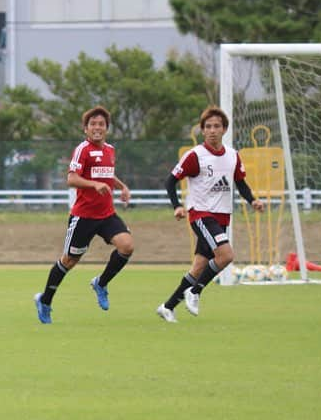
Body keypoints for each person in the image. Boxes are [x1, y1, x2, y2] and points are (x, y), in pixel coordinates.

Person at [156, 106, 264, 323]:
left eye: (217, 126)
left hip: (223, 216)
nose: (212, 130)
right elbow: (170, 181)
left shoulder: (233, 156)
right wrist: (177, 205)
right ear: (202, 131)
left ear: (224, 129)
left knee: (199, 267)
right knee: (226, 256)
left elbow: (240, 183)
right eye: (208, 127)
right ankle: (195, 292)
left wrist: (253, 200)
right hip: (201, 214)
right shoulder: (195, 156)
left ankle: (167, 307)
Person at [34, 105, 133, 324]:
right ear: (86, 129)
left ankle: (101, 283)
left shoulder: (109, 149)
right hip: (84, 217)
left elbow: (107, 174)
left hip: (107, 215)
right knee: (69, 261)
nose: (97, 127)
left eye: (101, 124)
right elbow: (71, 178)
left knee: (127, 246)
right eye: (93, 124)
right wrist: (93, 185)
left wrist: (122, 186)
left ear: (107, 128)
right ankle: (45, 300)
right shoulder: (83, 149)